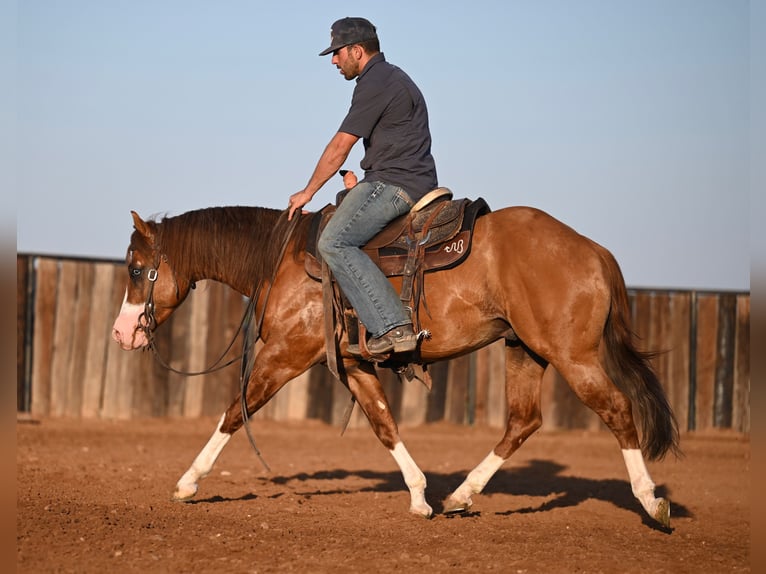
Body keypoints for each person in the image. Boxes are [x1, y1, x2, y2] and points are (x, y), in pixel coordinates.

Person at [288, 17, 438, 357]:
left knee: (334, 242)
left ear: (357, 50)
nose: (333, 60)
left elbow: (341, 145)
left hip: (396, 183)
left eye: (337, 52)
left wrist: (308, 191)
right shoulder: (390, 78)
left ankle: (392, 327)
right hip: (399, 177)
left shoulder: (377, 82)